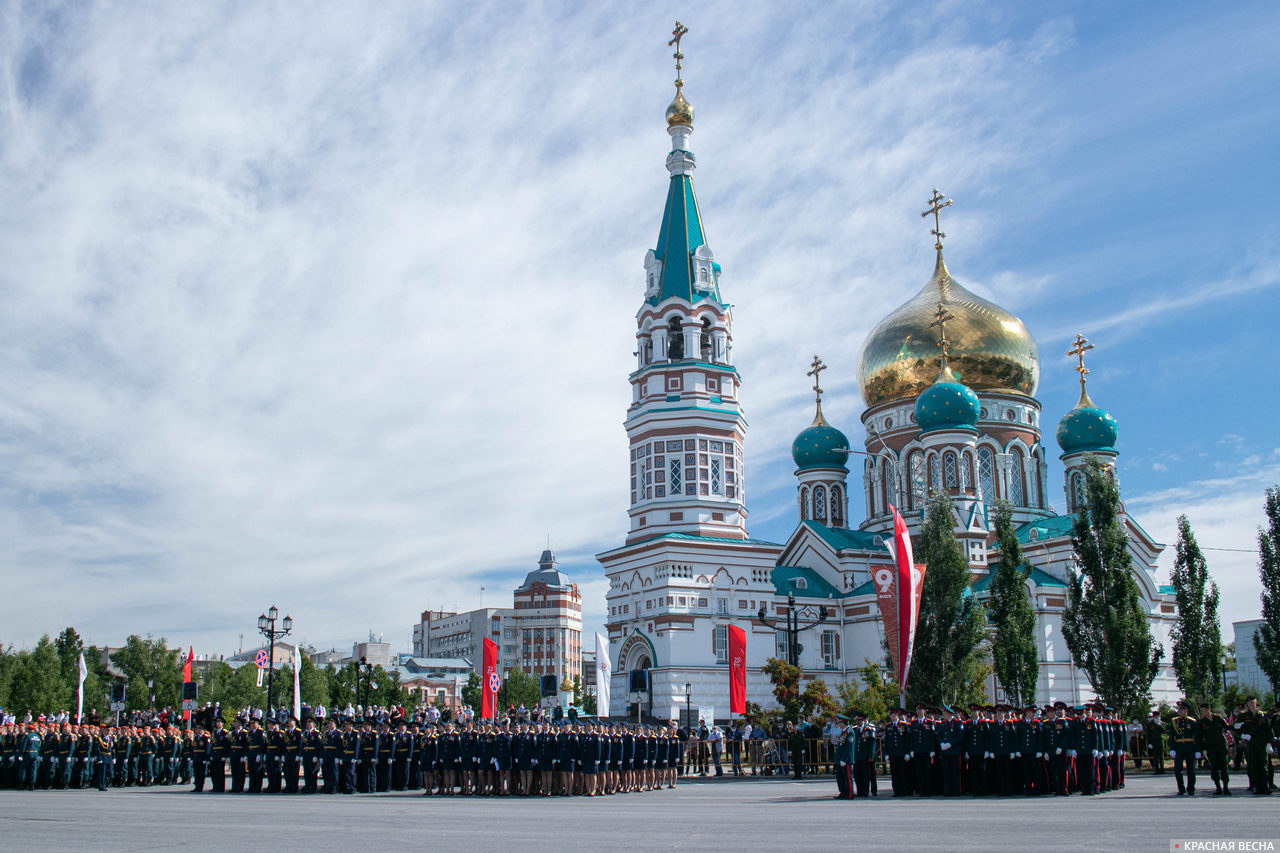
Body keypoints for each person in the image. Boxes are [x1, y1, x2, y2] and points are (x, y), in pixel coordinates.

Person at [1233, 695, 1272, 795]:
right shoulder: (1243, 716)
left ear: (1256, 702)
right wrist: (1243, 735)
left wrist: (1269, 743)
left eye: (1252, 702)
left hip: (1262, 743)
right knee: (1253, 765)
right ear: (1247, 704)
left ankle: (1265, 786)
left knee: (1264, 766)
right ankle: (1256, 787)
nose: (1251, 704)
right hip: (1251, 744)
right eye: (1249, 703)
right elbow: (1236, 729)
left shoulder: (1262, 715)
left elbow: (1268, 730)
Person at [1195, 702, 1230, 795]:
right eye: (1201, 710)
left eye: (1203, 710)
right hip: (1210, 747)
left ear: (1208, 709)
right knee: (1213, 767)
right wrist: (1203, 749)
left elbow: (1226, 727)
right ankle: (1218, 788)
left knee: (1224, 766)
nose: (1202, 712)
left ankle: (1226, 788)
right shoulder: (1201, 722)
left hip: (1221, 746)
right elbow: (1199, 737)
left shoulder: (1218, 718)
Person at [1168, 700, 1199, 796]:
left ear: (1186, 710)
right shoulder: (1174, 721)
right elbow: (1171, 736)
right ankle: (1181, 788)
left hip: (1189, 747)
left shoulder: (1192, 721)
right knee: (1177, 769)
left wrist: (1198, 750)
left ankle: (1191, 789)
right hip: (1179, 747)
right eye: (1179, 709)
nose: (1180, 711)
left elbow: (1196, 737)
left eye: (1182, 709)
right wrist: (1172, 748)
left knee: (1191, 769)